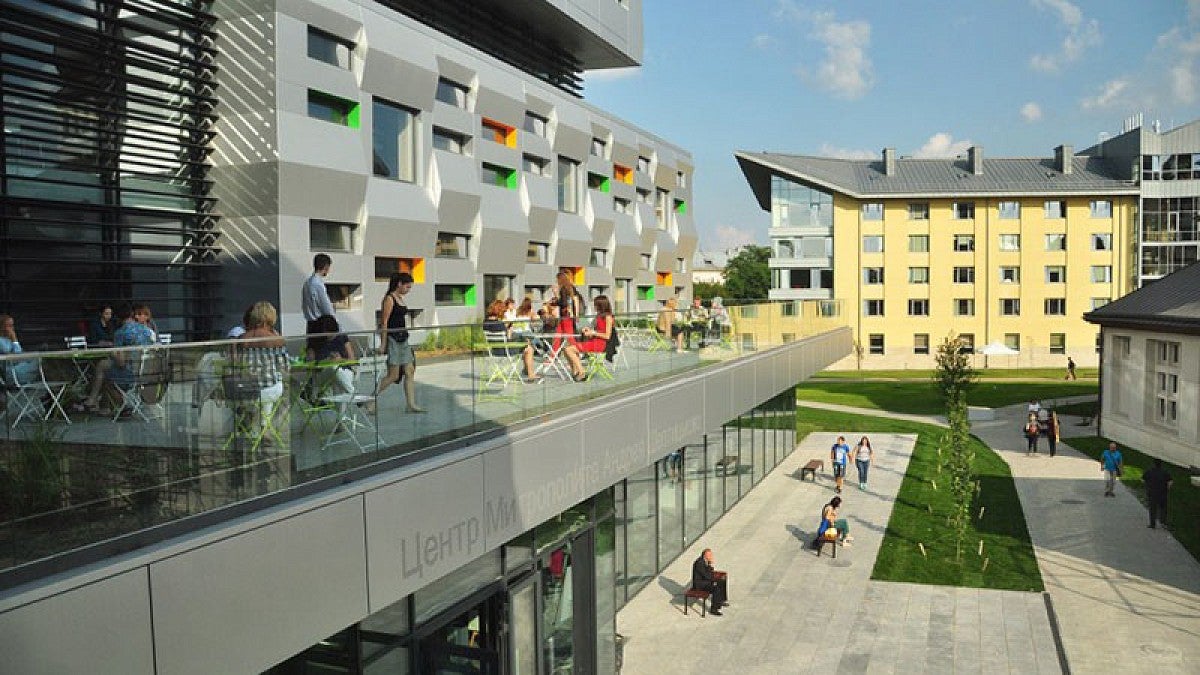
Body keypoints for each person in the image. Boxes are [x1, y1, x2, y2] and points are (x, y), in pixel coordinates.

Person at [77, 303, 157, 414]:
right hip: (149, 372)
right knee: (104, 366)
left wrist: (111, 352)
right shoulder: (148, 331)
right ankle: (102, 406)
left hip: (131, 374)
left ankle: (119, 404)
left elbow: (121, 362)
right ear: (132, 315)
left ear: (118, 318)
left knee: (104, 372)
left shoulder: (120, 333)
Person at [373, 272, 424, 413]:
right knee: (393, 375)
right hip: (393, 339)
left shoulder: (400, 298)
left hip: (403, 338)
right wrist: (383, 344)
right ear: (399, 284)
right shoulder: (389, 299)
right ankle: (370, 399)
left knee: (409, 370)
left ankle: (411, 404)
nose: (408, 290)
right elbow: (384, 322)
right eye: (407, 287)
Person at [482, 300, 542, 384]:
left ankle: (527, 371)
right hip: (505, 350)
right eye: (503, 310)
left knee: (526, 344)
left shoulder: (485, 323)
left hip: (494, 350)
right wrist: (510, 329)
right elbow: (509, 338)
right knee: (529, 348)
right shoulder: (500, 324)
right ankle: (530, 374)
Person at [564, 295, 613, 381]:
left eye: (595, 305)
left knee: (569, 350)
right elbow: (596, 330)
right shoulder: (598, 316)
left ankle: (581, 372)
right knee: (565, 349)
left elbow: (607, 336)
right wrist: (589, 330)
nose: (594, 306)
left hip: (600, 344)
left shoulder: (608, 317)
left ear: (600, 305)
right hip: (594, 341)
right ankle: (575, 371)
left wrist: (593, 332)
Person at [305, 314, 357, 394]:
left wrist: (340, 360)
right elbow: (310, 363)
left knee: (338, 378)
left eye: (331, 333)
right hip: (323, 373)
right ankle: (356, 397)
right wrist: (326, 361)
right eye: (325, 333)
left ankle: (353, 398)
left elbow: (352, 360)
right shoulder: (315, 342)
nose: (329, 336)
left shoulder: (342, 338)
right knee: (333, 369)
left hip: (344, 370)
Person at [0, 314, 41, 386]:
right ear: (1, 327)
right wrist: (14, 339)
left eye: (12, 325)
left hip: (16, 368)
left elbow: (19, 354)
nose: (12, 328)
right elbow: (17, 354)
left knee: (37, 359)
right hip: (9, 373)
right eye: (9, 326)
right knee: (38, 362)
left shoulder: (7, 339)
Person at [302, 253, 336, 335]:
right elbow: (326, 308)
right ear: (326, 267)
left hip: (310, 325)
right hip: (321, 325)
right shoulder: (317, 284)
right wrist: (335, 324)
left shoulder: (307, 283)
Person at [690, 548, 728, 616]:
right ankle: (714, 609)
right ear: (705, 555)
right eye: (710, 555)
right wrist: (710, 566)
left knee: (722, 581)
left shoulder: (705, 561)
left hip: (705, 581)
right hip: (700, 585)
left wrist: (710, 565)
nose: (711, 556)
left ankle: (721, 600)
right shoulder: (699, 563)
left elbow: (708, 573)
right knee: (716, 588)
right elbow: (707, 576)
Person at [1143, 459, 1172, 528]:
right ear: (1161, 464)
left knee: (1152, 509)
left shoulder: (1149, 471)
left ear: (1153, 464)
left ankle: (1152, 524)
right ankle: (1163, 522)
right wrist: (1168, 488)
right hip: (1162, 493)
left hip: (1152, 493)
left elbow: (1143, 479)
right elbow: (1170, 481)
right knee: (1163, 508)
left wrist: (1147, 486)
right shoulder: (1165, 472)